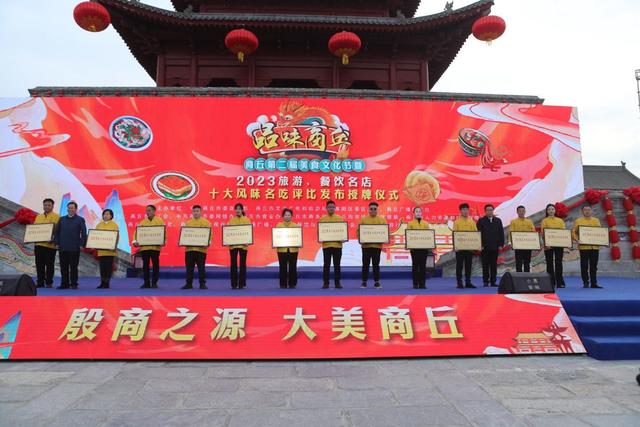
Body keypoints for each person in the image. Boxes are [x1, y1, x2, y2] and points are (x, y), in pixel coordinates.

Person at [54, 201, 87, 289]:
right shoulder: (61, 219)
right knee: (63, 267)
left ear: (76, 209)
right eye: (69, 208)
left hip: (75, 247)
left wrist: (81, 244)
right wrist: (56, 243)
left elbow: (84, 233)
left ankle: (74, 284)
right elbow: (56, 232)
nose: (70, 209)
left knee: (73, 267)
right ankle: (64, 284)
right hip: (63, 247)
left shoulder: (80, 219)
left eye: (72, 208)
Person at [133, 205, 164, 289]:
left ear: (154, 211)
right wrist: (135, 241)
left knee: (155, 265)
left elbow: (163, 232)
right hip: (145, 248)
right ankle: (146, 283)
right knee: (145, 265)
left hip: (155, 248)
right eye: (147, 210)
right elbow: (137, 233)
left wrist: (163, 241)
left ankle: (154, 283)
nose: (147, 212)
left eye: (149, 210)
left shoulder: (159, 221)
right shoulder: (143, 222)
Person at [572, 205, 603, 289]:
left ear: (591, 211)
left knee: (594, 266)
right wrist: (577, 240)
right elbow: (573, 232)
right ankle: (585, 282)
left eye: (589, 209)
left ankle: (594, 283)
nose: (587, 211)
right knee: (584, 266)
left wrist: (603, 241)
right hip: (584, 247)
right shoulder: (578, 221)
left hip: (594, 247)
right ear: (582, 211)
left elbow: (600, 232)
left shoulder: (596, 220)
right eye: (585, 210)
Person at [181, 205, 212, 290]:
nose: (196, 213)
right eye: (194, 211)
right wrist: (182, 241)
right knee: (189, 268)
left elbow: (210, 235)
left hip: (201, 250)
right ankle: (188, 284)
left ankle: (202, 284)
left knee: (201, 268)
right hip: (189, 249)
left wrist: (208, 242)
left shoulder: (206, 223)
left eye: (197, 211)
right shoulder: (188, 223)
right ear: (192, 212)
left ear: (201, 212)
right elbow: (185, 235)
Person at [359, 201, 387, 289]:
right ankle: (364, 282)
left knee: (376, 265)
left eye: (375, 209)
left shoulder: (382, 220)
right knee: (365, 264)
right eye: (371, 209)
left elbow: (385, 232)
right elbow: (358, 231)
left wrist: (384, 239)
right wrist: (361, 239)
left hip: (377, 246)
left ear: (377, 210)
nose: (373, 210)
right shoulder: (363, 219)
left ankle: (376, 282)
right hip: (366, 247)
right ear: (369, 210)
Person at [34, 198, 60, 288]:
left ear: (52, 206)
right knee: (39, 264)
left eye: (49, 205)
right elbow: (34, 230)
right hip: (39, 244)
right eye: (45, 205)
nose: (47, 207)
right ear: (43, 206)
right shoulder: (38, 216)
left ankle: (49, 282)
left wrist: (53, 240)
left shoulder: (57, 217)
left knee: (49, 265)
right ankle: (40, 282)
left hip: (50, 245)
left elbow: (58, 231)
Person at [476, 204, 504, 287]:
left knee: (493, 265)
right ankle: (485, 281)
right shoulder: (481, 221)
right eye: (488, 210)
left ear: (493, 211)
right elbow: (478, 234)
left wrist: (501, 244)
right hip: (484, 247)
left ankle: (493, 281)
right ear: (485, 211)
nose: (489, 211)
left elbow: (501, 233)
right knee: (485, 265)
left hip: (495, 247)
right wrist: (479, 245)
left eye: (491, 210)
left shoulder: (498, 220)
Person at [319, 200, 343, 289]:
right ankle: (326, 283)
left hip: (337, 245)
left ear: (335, 208)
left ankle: (337, 283)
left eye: (333, 207)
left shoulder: (339, 218)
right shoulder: (322, 219)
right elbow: (320, 231)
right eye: (329, 207)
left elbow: (342, 231)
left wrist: (343, 238)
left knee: (337, 265)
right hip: (326, 246)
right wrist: (321, 237)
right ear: (326, 208)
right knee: (326, 265)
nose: (331, 208)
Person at [541, 204, 566, 288]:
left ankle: (560, 282)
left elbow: (563, 232)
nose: (551, 211)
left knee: (559, 263)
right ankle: (551, 282)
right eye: (549, 209)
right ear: (547, 211)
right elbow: (543, 234)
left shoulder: (560, 221)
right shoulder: (544, 221)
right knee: (549, 263)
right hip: (548, 245)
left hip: (559, 244)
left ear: (555, 210)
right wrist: (546, 244)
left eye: (552, 209)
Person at [453, 203, 477, 289]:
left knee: (468, 266)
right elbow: (454, 234)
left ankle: (468, 282)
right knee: (459, 266)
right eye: (463, 209)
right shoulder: (456, 222)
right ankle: (459, 283)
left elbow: (475, 234)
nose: (465, 211)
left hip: (469, 248)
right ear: (460, 211)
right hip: (459, 248)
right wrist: (455, 246)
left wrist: (475, 246)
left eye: (467, 209)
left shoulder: (472, 222)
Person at [407, 207, 432, 289]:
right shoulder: (410, 224)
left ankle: (422, 284)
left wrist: (429, 245)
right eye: (416, 211)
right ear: (413, 213)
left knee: (423, 266)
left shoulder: (426, 223)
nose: (418, 213)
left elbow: (428, 235)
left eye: (419, 211)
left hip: (424, 249)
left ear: (421, 213)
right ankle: (415, 284)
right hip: (414, 249)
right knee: (415, 266)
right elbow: (408, 235)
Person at [228, 203, 251, 290]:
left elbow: (249, 232)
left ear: (242, 210)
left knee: (242, 264)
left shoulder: (247, 220)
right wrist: (228, 241)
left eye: (239, 209)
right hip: (233, 246)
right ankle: (234, 284)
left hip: (243, 245)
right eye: (236, 209)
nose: (238, 210)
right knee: (233, 264)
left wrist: (248, 241)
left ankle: (242, 284)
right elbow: (228, 233)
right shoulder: (231, 220)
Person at [276, 208, 299, 289]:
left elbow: (298, 237)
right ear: (283, 216)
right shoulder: (279, 225)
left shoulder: (295, 226)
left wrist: (299, 242)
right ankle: (283, 284)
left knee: (293, 267)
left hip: (293, 249)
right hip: (282, 249)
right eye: (285, 215)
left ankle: (292, 283)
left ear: (291, 216)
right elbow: (276, 237)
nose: (287, 216)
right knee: (282, 267)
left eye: (289, 215)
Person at [96, 209, 119, 289]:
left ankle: (107, 283)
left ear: (111, 216)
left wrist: (114, 246)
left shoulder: (114, 225)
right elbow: (95, 236)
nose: (106, 216)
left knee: (108, 267)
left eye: (108, 214)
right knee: (102, 268)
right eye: (104, 214)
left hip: (110, 251)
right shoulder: (99, 225)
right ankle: (102, 283)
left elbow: (116, 237)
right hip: (101, 251)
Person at [509, 205, 536, 272]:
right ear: (517, 212)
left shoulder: (529, 221)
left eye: (523, 211)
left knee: (527, 262)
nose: (521, 212)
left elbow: (533, 232)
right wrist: (510, 242)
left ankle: (527, 276)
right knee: (518, 262)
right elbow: (511, 232)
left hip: (527, 245)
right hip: (518, 245)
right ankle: (519, 276)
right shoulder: (513, 221)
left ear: (525, 212)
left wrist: (534, 242)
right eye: (520, 211)